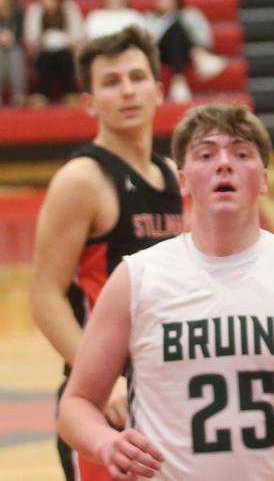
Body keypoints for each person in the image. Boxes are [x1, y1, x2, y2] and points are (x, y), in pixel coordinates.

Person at [58, 103, 274, 481]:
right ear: (182, 181)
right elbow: (76, 404)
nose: (224, 164)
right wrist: (104, 442)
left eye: (241, 153)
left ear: (262, 178)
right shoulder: (137, 277)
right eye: (206, 154)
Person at [30, 26, 184, 481]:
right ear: (89, 101)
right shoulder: (82, 179)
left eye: (137, 78)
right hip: (104, 404)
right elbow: (45, 298)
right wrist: (98, 376)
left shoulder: (173, 176)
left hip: (167, 391)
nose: (127, 90)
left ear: (158, 91)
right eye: (111, 82)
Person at [144, 0, 225, 103]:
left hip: (185, 51)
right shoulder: (149, 18)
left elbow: (205, 38)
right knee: (175, 28)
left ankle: (180, 77)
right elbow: (148, 43)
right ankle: (199, 60)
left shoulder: (190, 14)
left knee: (179, 29)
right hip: (161, 52)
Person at [23, 0, 83, 104]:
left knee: (64, 56)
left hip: (67, 50)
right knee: (46, 58)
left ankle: (71, 93)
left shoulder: (69, 9)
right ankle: (42, 95)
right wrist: (41, 41)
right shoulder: (35, 11)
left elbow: (78, 34)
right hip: (43, 52)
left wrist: (68, 41)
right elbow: (31, 38)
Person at [0, 0, 27, 106]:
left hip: (12, 47)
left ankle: (19, 96)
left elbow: (20, 34)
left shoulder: (17, 10)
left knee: (15, 51)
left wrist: (9, 38)